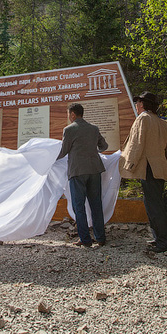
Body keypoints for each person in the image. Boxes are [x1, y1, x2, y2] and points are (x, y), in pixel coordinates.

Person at [119, 91, 167, 253]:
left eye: (137, 103)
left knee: (153, 206)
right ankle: (159, 238)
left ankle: (163, 241)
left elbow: (137, 143)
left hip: (149, 167)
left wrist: (130, 164)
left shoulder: (143, 119)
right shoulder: (162, 122)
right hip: (160, 167)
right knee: (156, 203)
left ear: (142, 104)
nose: (136, 106)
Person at [58, 103, 108, 247]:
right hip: (94, 169)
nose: (68, 117)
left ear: (73, 114)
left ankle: (85, 240)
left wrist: (49, 160)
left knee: (79, 206)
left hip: (78, 171)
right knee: (96, 204)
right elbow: (104, 146)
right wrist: (92, 153)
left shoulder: (69, 130)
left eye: (68, 114)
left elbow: (63, 151)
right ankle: (100, 238)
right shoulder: (94, 128)